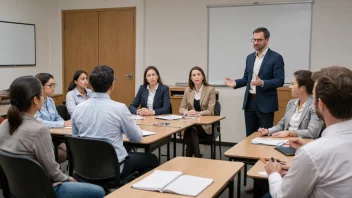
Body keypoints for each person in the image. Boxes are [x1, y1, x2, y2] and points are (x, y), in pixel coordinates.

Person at [0, 76, 105, 198]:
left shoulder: (4, 125)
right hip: (44, 190)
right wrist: (69, 178)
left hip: (16, 189)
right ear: (35, 99)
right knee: (98, 191)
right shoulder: (39, 131)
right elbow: (54, 174)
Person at [264, 66, 352, 198]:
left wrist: (274, 173)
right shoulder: (312, 152)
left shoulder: (311, 153)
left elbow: (282, 196)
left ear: (320, 104)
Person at [72, 65, 159, 178]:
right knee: (152, 159)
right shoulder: (120, 108)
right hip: (114, 168)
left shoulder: (78, 109)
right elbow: (136, 137)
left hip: (85, 167)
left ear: (91, 85)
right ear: (112, 85)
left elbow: (75, 138)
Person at [225, 27, 285, 137]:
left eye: (259, 40)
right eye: (254, 40)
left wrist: (262, 83)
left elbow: (280, 80)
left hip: (265, 103)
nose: (256, 43)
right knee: (250, 136)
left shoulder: (276, 58)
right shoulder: (249, 58)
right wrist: (236, 83)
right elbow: (247, 79)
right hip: (250, 102)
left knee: (264, 136)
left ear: (267, 40)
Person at [258, 70, 323, 139]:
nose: (289, 87)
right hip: (286, 141)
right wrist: (268, 131)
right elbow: (282, 125)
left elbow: (312, 133)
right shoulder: (291, 103)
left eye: (292, 84)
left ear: (302, 88)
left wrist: (289, 133)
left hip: (303, 144)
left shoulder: (315, 106)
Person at [179, 66, 216, 158]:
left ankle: (191, 157)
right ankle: (197, 156)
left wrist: (198, 113)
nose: (196, 77)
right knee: (191, 128)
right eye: (194, 75)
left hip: (204, 126)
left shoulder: (210, 90)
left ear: (203, 77)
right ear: (191, 78)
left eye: (198, 74)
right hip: (191, 123)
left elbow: (211, 111)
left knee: (192, 130)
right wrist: (187, 112)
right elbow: (181, 108)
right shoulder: (188, 90)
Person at [35, 73, 70, 163]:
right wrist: (63, 123)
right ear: (41, 87)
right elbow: (39, 122)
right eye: (50, 85)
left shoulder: (50, 100)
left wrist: (66, 124)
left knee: (72, 147)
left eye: (54, 85)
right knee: (66, 151)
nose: (53, 87)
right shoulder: (35, 102)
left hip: (54, 135)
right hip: (42, 137)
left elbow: (56, 117)